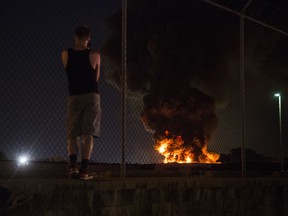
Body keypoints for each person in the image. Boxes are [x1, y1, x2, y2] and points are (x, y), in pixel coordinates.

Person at [61, 25, 101, 180]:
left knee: (72, 133)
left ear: (75, 37)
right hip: (91, 96)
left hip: (74, 96)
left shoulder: (65, 54)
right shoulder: (95, 55)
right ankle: (84, 169)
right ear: (88, 38)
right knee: (88, 133)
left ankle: (72, 167)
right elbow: (96, 78)